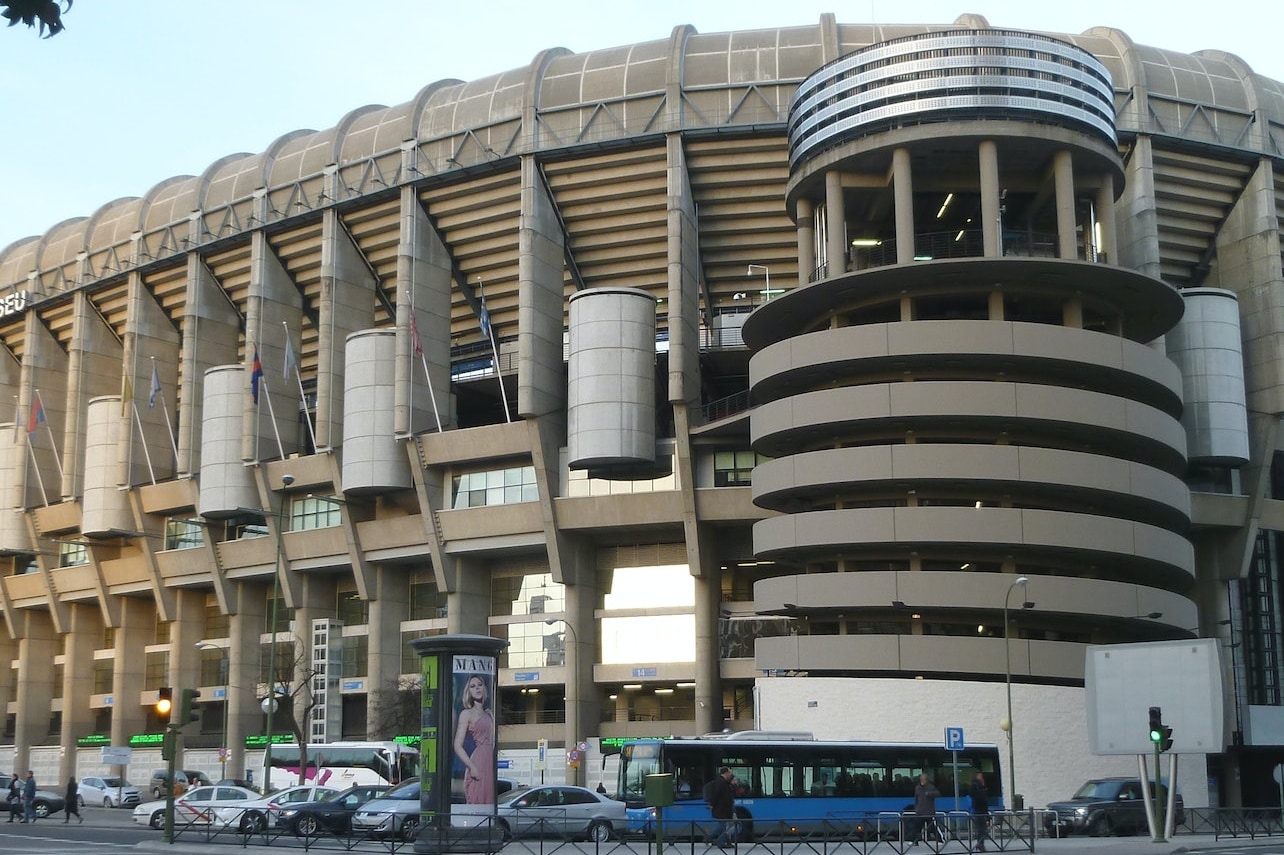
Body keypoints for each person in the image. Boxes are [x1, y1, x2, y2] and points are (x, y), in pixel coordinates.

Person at [452, 673, 495, 805]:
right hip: (478, 761)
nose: (477, 688)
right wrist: (472, 767)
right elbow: (457, 745)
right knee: (477, 798)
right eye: (473, 686)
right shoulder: (466, 714)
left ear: (484, 688)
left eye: (479, 685)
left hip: (489, 761)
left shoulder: (489, 713)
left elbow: (493, 740)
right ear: (468, 691)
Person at [702, 766, 736, 848]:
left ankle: (722, 842)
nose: (730, 774)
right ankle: (709, 837)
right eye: (730, 772)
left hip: (723, 808)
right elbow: (716, 795)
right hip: (721, 809)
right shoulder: (720, 782)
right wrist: (712, 804)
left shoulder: (724, 782)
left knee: (724, 826)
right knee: (722, 826)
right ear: (726, 772)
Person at [910, 773, 939, 844]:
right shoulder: (917, 787)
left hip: (929, 812)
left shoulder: (931, 787)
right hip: (920, 812)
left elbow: (938, 793)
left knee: (932, 827)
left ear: (926, 780)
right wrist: (916, 809)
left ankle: (940, 839)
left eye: (923, 779)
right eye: (921, 779)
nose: (922, 781)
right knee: (916, 828)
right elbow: (916, 799)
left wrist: (929, 793)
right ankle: (914, 841)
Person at [969, 771, 991, 852]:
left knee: (982, 827)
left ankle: (980, 843)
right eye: (980, 776)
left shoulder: (978, 786)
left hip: (979, 809)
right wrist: (983, 788)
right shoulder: (976, 786)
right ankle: (980, 844)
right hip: (979, 809)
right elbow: (980, 798)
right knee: (982, 827)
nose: (982, 778)